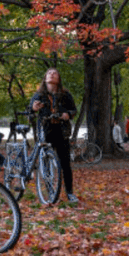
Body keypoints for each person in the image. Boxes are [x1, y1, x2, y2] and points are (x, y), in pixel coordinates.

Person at [30, 68, 78, 204]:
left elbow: (74, 110)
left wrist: (68, 114)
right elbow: (30, 111)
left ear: (58, 78)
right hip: (45, 130)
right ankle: (50, 191)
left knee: (65, 164)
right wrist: (34, 108)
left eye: (55, 73)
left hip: (61, 131)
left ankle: (70, 193)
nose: (52, 74)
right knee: (45, 162)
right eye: (49, 73)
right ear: (45, 78)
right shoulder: (38, 95)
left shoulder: (66, 94)